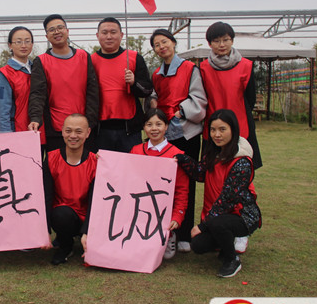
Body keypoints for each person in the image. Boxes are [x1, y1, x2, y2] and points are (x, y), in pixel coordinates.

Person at [176, 109, 262, 278]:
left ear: (233, 130)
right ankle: (225, 244)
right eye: (213, 130)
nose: (217, 135)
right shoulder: (213, 153)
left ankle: (232, 260)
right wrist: (182, 159)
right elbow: (200, 173)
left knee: (217, 223)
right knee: (198, 245)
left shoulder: (242, 162)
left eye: (222, 129)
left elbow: (228, 199)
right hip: (217, 216)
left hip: (241, 216)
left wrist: (203, 226)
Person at [150, 29, 207, 253]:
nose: (161, 47)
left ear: (173, 43)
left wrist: (181, 111)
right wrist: (153, 103)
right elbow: (154, 95)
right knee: (164, 182)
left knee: (186, 183)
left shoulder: (190, 69)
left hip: (186, 132)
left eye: (164, 42)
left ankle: (183, 233)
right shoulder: (156, 73)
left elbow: (199, 97)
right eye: (157, 45)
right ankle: (165, 231)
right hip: (163, 132)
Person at [29, 14, 100, 153]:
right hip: (56, 128)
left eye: (60, 28)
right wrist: (35, 118)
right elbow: (37, 94)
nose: (57, 32)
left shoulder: (83, 56)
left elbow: (92, 92)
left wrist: (89, 123)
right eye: (52, 30)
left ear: (67, 31)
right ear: (47, 36)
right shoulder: (41, 61)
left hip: (83, 127)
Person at [200, 22, 262, 170]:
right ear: (209, 44)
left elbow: (250, 98)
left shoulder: (246, 66)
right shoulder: (203, 68)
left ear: (232, 40)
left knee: (240, 169)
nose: (222, 44)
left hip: (240, 124)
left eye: (226, 40)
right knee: (213, 169)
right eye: (216, 41)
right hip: (213, 126)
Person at [129, 108, 189, 260]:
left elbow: (182, 189)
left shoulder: (177, 154)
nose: (154, 129)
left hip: (163, 209)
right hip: (140, 206)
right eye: (149, 124)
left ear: (166, 126)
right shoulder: (136, 151)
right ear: (144, 127)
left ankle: (170, 235)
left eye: (159, 124)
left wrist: (177, 216)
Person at [91, 17, 153, 152]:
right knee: (103, 165)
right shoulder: (91, 61)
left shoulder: (134, 57)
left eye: (113, 32)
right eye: (104, 32)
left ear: (121, 35)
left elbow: (147, 90)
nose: (109, 36)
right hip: (100, 130)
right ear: (97, 35)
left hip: (130, 129)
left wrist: (134, 83)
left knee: (131, 164)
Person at [43, 114, 97, 265]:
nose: (73, 136)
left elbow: (96, 202)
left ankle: (88, 239)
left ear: (88, 133)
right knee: (61, 214)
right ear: (62, 131)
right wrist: (45, 231)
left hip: (87, 217)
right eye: (68, 131)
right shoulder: (51, 159)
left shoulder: (95, 162)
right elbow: (46, 196)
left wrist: (87, 231)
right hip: (63, 216)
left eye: (78, 131)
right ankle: (65, 245)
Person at [0, 26, 46, 146]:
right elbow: (3, 111)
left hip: (40, 131)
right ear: (10, 45)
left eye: (27, 41)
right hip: (19, 133)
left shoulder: (38, 69)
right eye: (18, 42)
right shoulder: (4, 74)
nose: (23, 45)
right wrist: (6, 137)